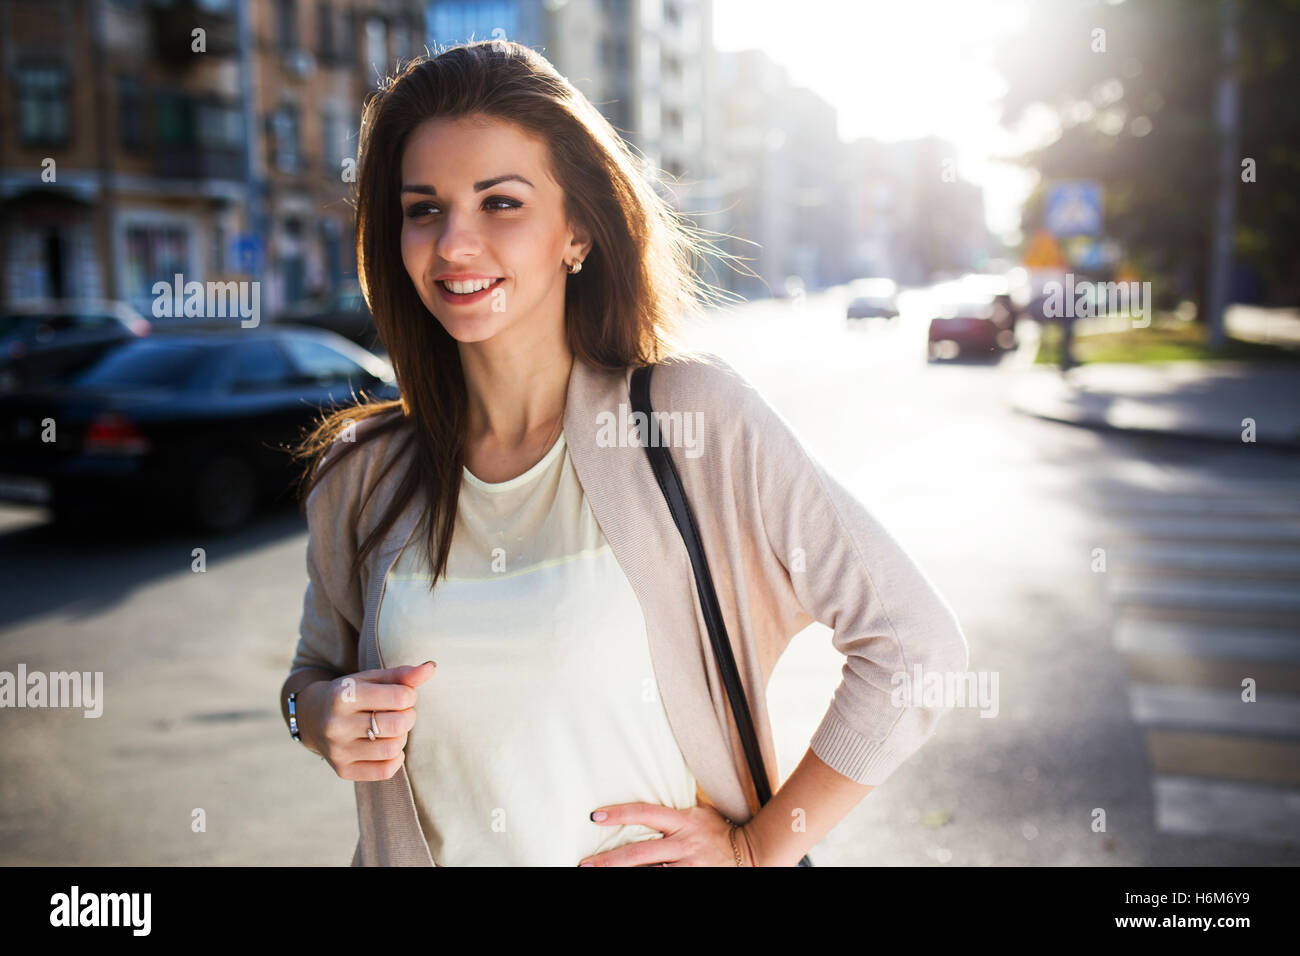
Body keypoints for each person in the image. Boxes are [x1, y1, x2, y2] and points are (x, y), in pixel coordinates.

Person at [279, 39, 968, 867]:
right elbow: (311, 675)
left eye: (500, 202)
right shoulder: (361, 471)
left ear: (576, 231)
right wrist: (314, 716)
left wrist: (759, 850)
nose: (454, 244)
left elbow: (913, 644)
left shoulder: (689, 421)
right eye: (424, 208)